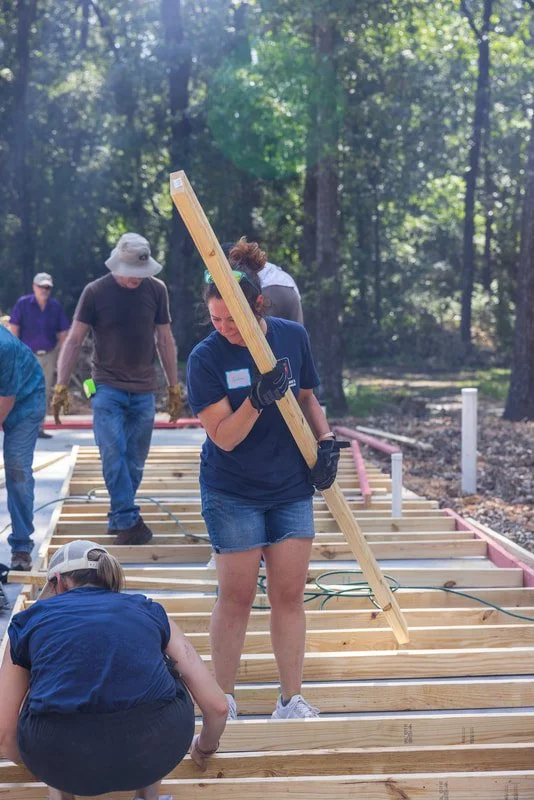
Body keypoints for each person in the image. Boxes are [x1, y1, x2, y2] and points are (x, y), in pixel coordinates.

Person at [186, 241, 345, 720]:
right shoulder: (205, 359)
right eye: (216, 320)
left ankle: (290, 699)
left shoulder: (292, 337)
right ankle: (224, 700)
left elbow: (311, 398)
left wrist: (326, 442)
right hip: (233, 492)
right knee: (235, 597)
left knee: (289, 596)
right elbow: (226, 439)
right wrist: (256, 399)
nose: (225, 329)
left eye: (233, 319)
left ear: (259, 306)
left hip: (290, 487)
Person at [0, 540, 228, 800]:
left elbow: (5, 734)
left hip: (59, 758)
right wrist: (205, 747)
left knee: (46, 683)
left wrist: (41, 764)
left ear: (59, 582)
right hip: (154, 753)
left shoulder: (27, 622)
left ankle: (61, 795)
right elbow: (217, 706)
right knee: (158, 675)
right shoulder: (148, 610)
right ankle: (147, 795)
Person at [51, 233, 183, 545]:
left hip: (144, 390)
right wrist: (60, 387)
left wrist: (174, 388)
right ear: (117, 265)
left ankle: (119, 516)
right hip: (105, 387)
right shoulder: (95, 292)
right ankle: (127, 519)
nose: (137, 280)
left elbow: (165, 339)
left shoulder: (157, 290)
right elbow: (73, 339)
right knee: (113, 453)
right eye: (131, 273)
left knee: (135, 460)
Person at [0, 325, 46, 571]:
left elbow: (6, 399)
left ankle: (21, 545)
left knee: (17, 468)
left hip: (25, 401)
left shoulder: (3, 347)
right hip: (6, 397)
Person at [9, 272, 70, 439]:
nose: (45, 290)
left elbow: (63, 333)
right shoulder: (23, 304)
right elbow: (14, 328)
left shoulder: (55, 307)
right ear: (34, 287)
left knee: (42, 392)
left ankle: (38, 428)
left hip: (49, 355)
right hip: (27, 355)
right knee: (24, 391)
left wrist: (64, 357)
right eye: (41, 286)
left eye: (48, 287)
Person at [223, 239, 303, 323]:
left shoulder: (237, 268)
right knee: (296, 332)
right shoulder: (256, 263)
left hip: (270, 291)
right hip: (291, 289)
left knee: (259, 332)